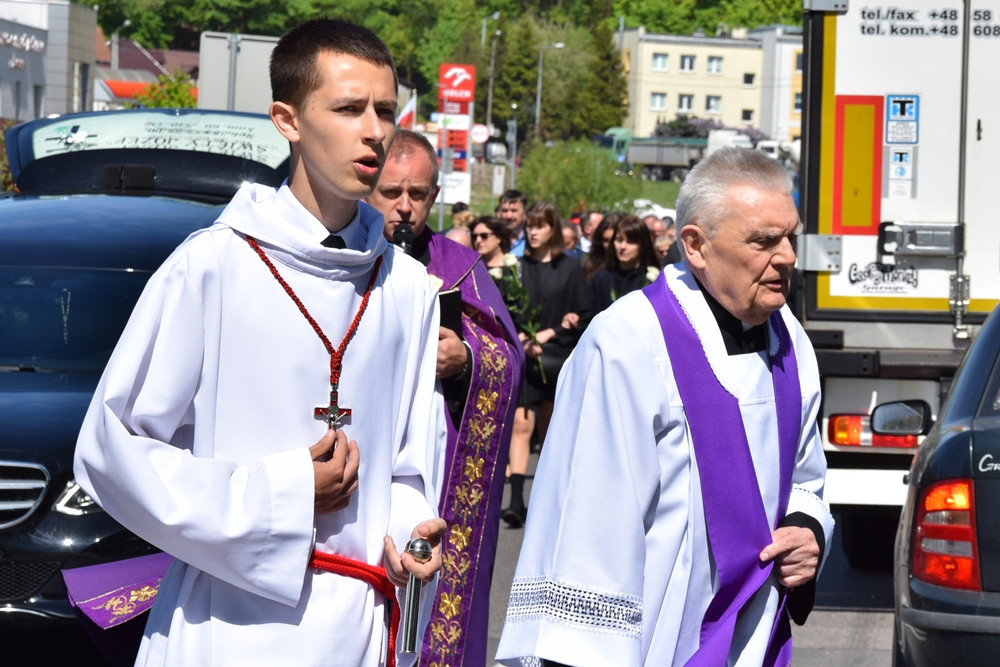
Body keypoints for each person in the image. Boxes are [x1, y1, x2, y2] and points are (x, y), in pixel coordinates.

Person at [73, 19, 448, 667]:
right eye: (349, 108)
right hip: (229, 619)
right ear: (288, 119)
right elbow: (111, 448)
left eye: (385, 110)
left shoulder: (408, 288)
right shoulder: (214, 268)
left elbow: (409, 466)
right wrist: (283, 488)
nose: (374, 131)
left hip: (360, 618)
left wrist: (409, 532)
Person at [496, 147, 834, 666]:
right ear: (696, 246)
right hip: (650, 641)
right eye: (765, 241)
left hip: (756, 637)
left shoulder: (790, 340)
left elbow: (807, 480)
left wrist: (808, 530)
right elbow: (588, 524)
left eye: (791, 236)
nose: (787, 256)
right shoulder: (631, 340)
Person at [366, 129, 524, 667]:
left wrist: (466, 362)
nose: (405, 207)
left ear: (435, 196)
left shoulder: (459, 267)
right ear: (368, 187)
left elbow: (507, 355)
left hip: (432, 468)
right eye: (392, 193)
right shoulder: (339, 257)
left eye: (419, 194)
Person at [503, 200, 592, 529]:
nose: (532, 232)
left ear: (553, 229)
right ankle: (514, 500)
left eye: (539, 226)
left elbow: (584, 313)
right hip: (525, 355)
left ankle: (547, 500)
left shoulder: (570, 267)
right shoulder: (517, 266)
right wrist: (524, 341)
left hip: (556, 358)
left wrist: (556, 329)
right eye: (530, 226)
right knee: (520, 426)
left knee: (549, 428)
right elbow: (507, 312)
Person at [590, 214, 661, 314]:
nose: (622, 246)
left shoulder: (652, 279)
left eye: (630, 242)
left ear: (642, 245)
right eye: (619, 240)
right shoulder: (602, 278)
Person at [498, 189, 529, 256]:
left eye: (514, 210)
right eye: (505, 210)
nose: (509, 216)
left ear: (525, 212)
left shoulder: (531, 239)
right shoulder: (494, 239)